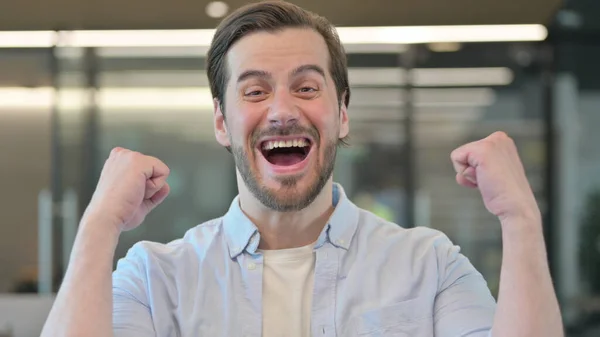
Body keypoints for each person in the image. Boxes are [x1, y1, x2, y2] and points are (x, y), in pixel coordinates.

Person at [41, 1, 564, 336]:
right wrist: (97, 227)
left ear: (340, 115)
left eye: (307, 87)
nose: (283, 109)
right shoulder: (156, 280)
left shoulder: (430, 266)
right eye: (255, 90)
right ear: (223, 123)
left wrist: (519, 218)